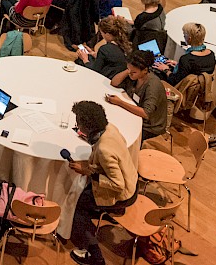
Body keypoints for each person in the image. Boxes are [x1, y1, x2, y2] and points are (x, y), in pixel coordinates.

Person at [66, 101, 137, 265]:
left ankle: (95, 257)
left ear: (88, 126)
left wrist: (89, 171)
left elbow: (118, 184)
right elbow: (121, 146)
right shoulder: (110, 128)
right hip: (132, 179)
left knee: (79, 208)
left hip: (123, 194)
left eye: (79, 123)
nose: (77, 125)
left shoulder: (104, 149)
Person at [107, 49, 168, 141]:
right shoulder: (135, 76)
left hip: (150, 127)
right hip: (135, 115)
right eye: (128, 69)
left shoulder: (152, 85)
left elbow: (145, 113)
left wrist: (120, 103)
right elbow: (114, 83)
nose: (130, 74)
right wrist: (128, 71)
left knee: (115, 136)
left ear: (145, 70)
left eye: (134, 72)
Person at [76, 15, 131, 79]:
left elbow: (94, 71)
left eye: (101, 33)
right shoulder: (123, 44)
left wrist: (84, 59)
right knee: (90, 57)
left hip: (105, 77)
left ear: (107, 34)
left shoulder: (105, 49)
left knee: (80, 61)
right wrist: (93, 53)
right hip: (115, 75)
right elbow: (110, 58)